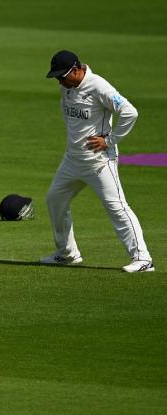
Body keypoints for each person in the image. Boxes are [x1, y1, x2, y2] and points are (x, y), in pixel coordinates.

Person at [42, 50, 153, 273]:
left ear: (76, 70)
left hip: (99, 162)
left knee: (117, 207)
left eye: (62, 76)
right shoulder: (67, 88)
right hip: (72, 161)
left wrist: (110, 140)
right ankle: (67, 254)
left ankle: (143, 258)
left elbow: (130, 112)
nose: (60, 82)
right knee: (55, 200)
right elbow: (70, 119)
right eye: (56, 78)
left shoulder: (99, 86)